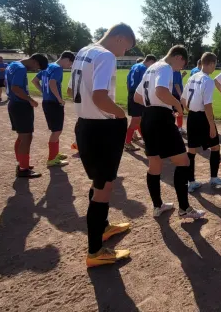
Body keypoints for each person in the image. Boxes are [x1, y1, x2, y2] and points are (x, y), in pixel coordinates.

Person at [71, 23, 135, 268]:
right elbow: (100, 97)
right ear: (119, 38)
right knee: (104, 187)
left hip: (85, 125)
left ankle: (103, 226)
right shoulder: (106, 55)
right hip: (102, 128)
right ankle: (95, 251)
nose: (122, 54)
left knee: (98, 183)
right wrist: (121, 115)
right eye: (125, 48)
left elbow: (71, 89)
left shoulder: (83, 51)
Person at [135, 44, 205, 220]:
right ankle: (184, 209)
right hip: (161, 121)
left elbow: (137, 97)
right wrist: (176, 105)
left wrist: (157, 107)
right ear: (178, 57)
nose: (179, 69)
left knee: (155, 165)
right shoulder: (165, 67)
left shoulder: (151, 67)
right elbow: (161, 91)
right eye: (181, 65)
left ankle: (157, 206)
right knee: (183, 162)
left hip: (147, 118)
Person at [182, 52, 221, 192]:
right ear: (210, 63)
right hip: (203, 118)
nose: (215, 67)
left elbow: (183, 100)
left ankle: (191, 182)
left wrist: (190, 110)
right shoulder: (207, 80)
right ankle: (214, 178)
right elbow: (207, 105)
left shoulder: (192, 77)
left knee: (191, 150)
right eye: (215, 64)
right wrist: (211, 125)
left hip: (191, 117)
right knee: (215, 147)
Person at [6, 53, 49, 178]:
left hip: (14, 103)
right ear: (35, 61)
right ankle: (23, 169)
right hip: (20, 105)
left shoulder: (13, 65)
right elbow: (16, 88)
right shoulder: (20, 68)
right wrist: (30, 99)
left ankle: (21, 163)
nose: (36, 70)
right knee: (26, 137)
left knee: (21, 136)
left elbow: (8, 83)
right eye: (37, 67)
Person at [32, 51, 75, 167]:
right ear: (66, 59)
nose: (69, 66)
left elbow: (34, 81)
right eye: (70, 64)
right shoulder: (57, 68)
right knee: (56, 131)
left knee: (56, 130)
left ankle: (55, 154)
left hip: (47, 102)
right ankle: (52, 159)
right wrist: (59, 99)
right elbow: (52, 83)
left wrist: (44, 92)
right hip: (54, 103)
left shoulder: (48, 66)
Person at [124, 55, 157, 151]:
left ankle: (143, 138)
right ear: (150, 61)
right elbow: (145, 85)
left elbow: (128, 80)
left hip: (132, 94)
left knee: (139, 119)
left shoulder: (135, 66)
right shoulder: (144, 69)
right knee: (136, 120)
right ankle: (127, 142)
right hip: (138, 94)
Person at [172, 69, 187, 134]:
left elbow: (176, 81)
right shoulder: (176, 71)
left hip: (174, 94)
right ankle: (179, 128)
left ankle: (178, 127)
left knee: (175, 111)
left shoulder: (175, 71)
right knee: (179, 111)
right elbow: (176, 84)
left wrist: (182, 76)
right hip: (176, 94)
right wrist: (181, 96)